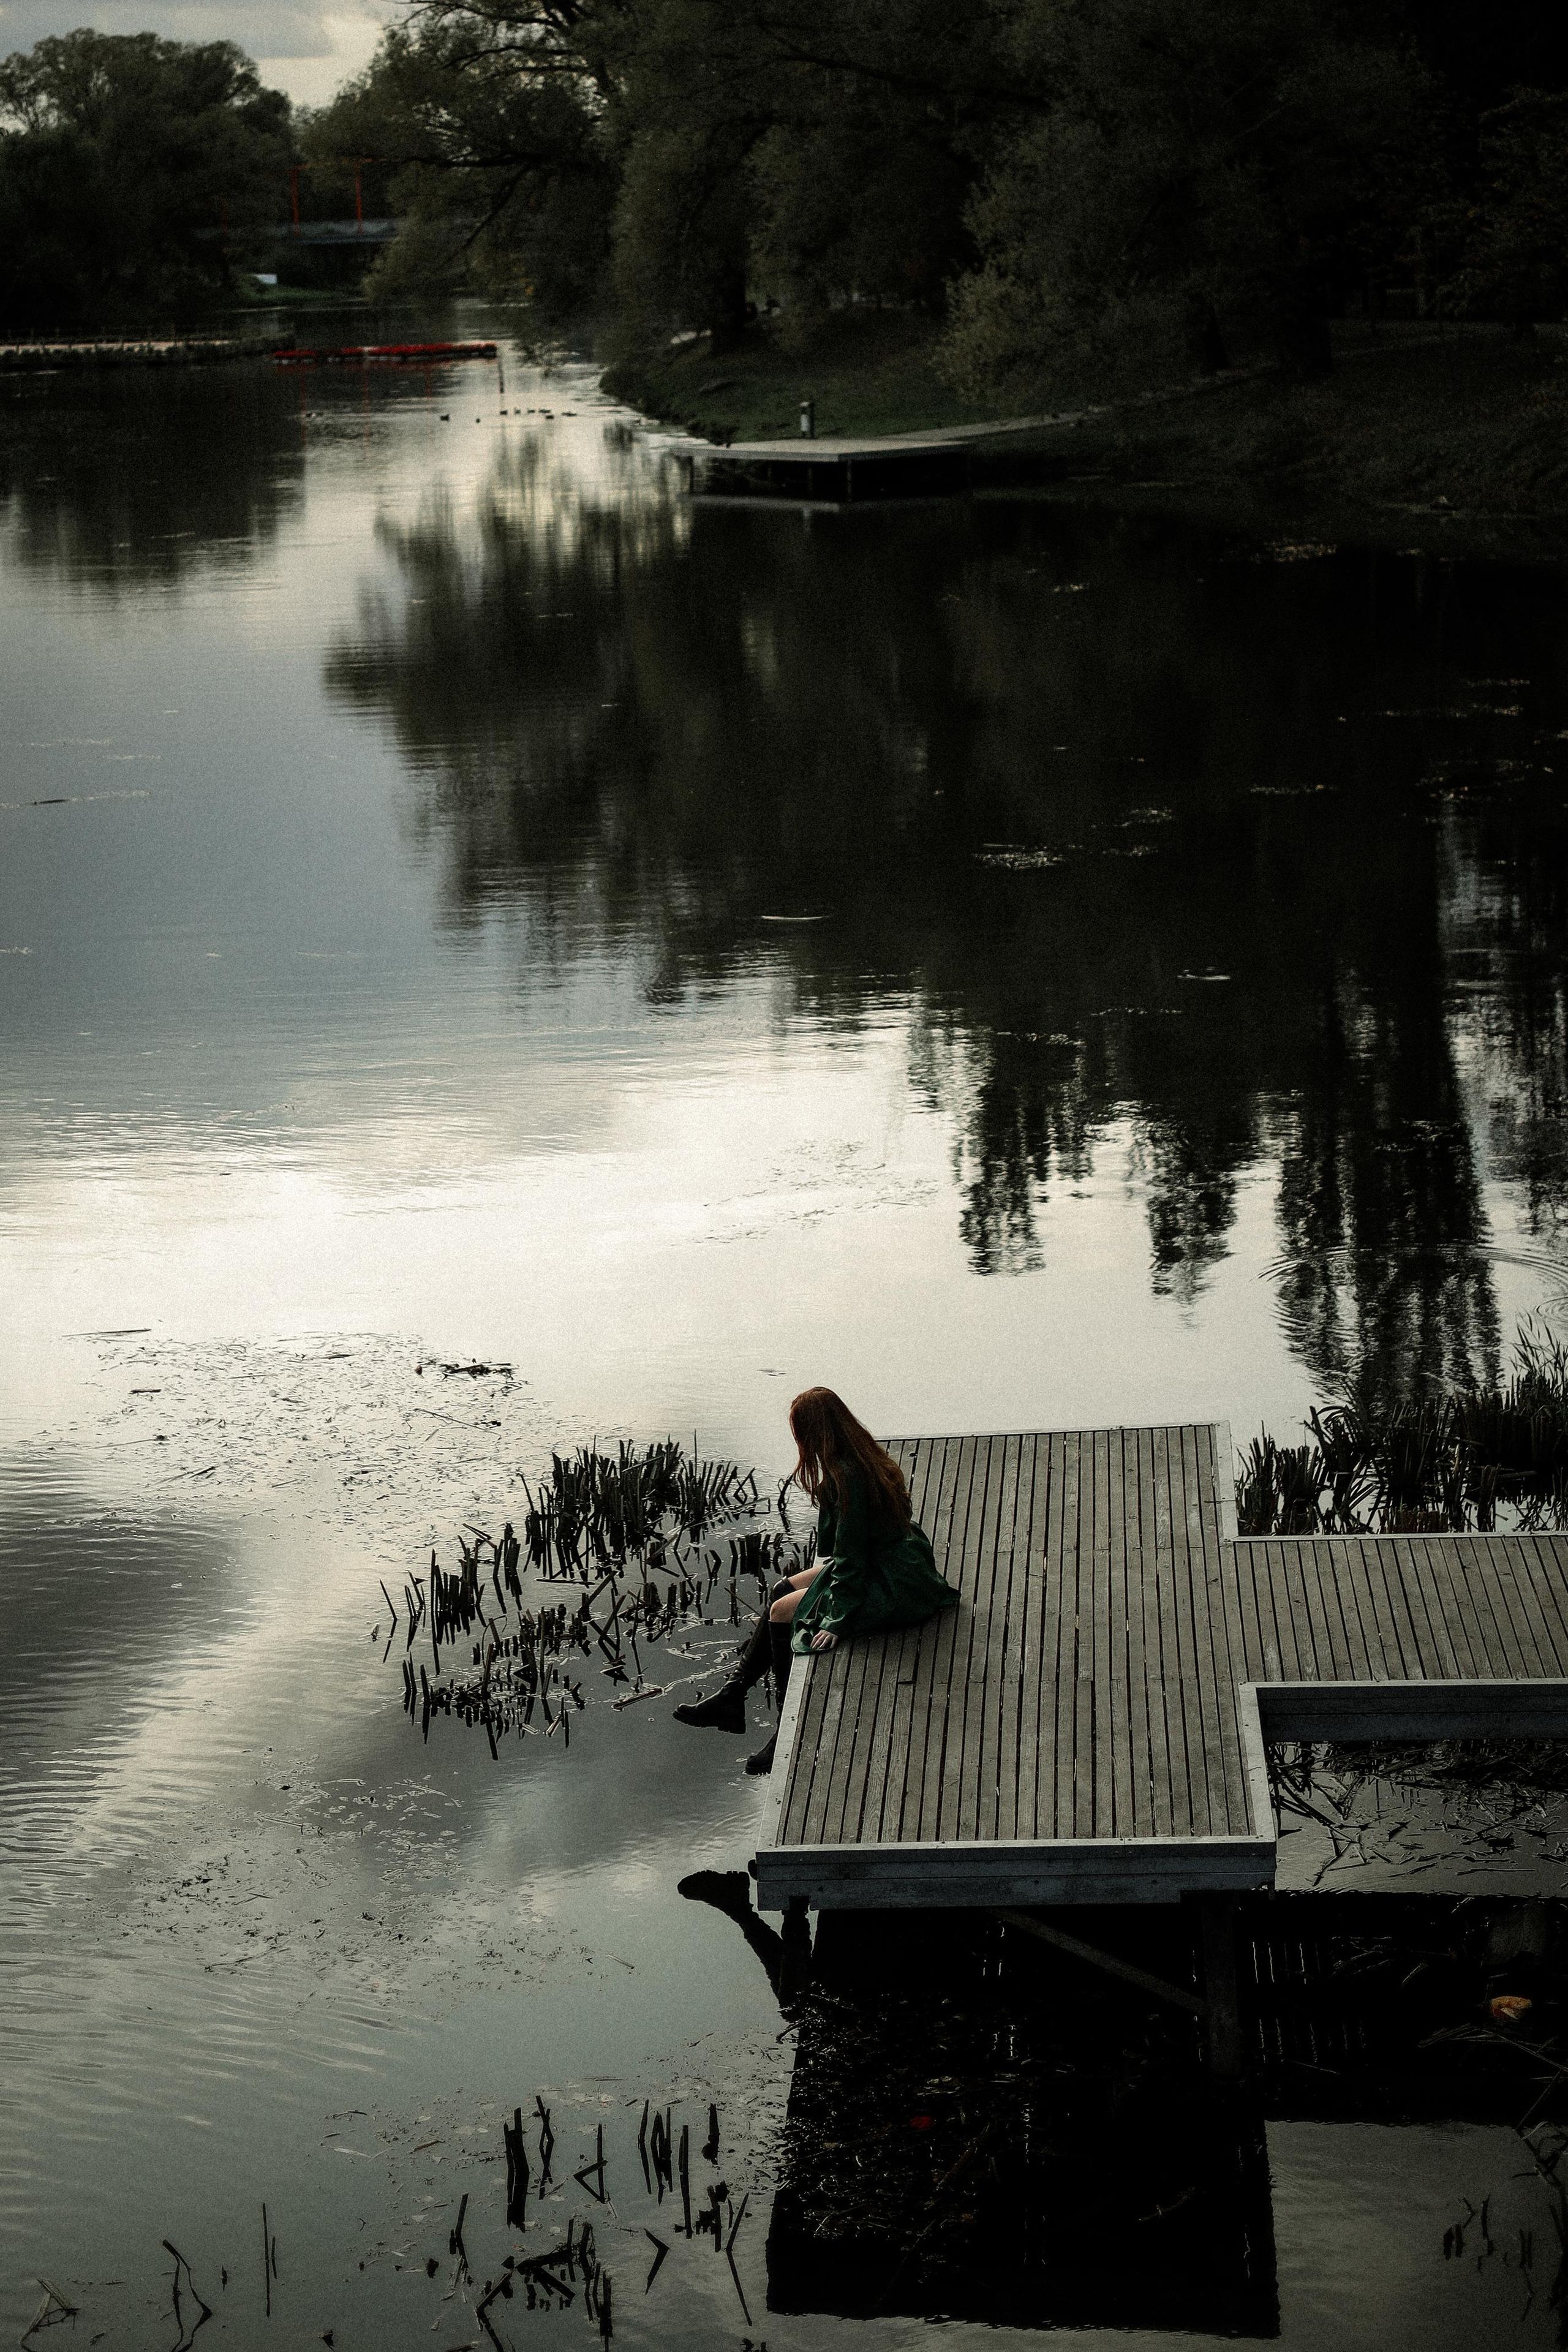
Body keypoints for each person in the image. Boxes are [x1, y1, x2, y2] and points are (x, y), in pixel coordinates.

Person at [673, 1386, 959, 1773]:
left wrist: (837, 1618)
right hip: (900, 1562)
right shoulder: (864, 1455)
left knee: (779, 1612)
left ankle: (786, 1732)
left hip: (893, 1583)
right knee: (781, 1589)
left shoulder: (847, 1477)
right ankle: (734, 1696)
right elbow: (854, 1550)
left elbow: (851, 1560)